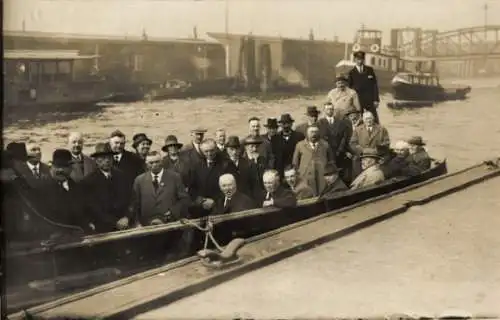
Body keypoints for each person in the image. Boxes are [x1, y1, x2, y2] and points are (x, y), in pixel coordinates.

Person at [35, 149, 94, 238]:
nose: (61, 170)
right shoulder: (41, 188)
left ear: (71, 169)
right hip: (52, 239)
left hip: (77, 238)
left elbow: (82, 214)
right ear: (51, 167)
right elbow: (40, 218)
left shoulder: (77, 188)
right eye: (57, 166)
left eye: (65, 166)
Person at [81, 142, 132, 233]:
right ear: (96, 160)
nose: (107, 160)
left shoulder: (121, 176)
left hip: (125, 224)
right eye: (103, 158)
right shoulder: (89, 181)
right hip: (103, 228)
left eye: (109, 157)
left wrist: (127, 217)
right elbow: (94, 208)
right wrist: (115, 222)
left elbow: (131, 199)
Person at [132, 151, 190, 226]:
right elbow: (135, 203)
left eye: (157, 162)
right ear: (146, 164)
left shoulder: (174, 177)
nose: (154, 165)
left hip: (170, 224)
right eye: (151, 163)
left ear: (162, 162)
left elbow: (184, 199)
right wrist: (137, 222)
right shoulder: (139, 180)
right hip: (147, 226)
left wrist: (172, 212)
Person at [189, 139, 232, 218]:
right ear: (202, 151)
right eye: (206, 151)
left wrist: (214, 202)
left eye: (212, 150)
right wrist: (201, 201)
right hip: (201, 208)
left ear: (216, 149)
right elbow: (192, 188)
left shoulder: (225, 164)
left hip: (220, 208)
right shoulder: (197, 166)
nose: (209, 154)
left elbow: (231, 187)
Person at [292, 125, 335, 196]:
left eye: (316, 132)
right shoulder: (300, 145)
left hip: (322, 177)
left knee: (323, 195)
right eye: (311, 132)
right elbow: (295, 163)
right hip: (306, 178)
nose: (314, 134)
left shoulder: (325, 144)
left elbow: (331, 161)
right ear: (307, 133)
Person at [347, 51, 381, 123]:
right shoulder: (351, 73)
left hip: (370, 100)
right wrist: (351, 102)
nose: (360, 61)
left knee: (374, 119)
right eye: (358, 59)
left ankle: (377, 132)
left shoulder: (369, 70)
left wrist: (376, 100)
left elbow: (374, 85)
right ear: (355, 60)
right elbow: (349, 89)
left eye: (361, 59)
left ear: (363, 60)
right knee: (359, 119)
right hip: (358, 100)